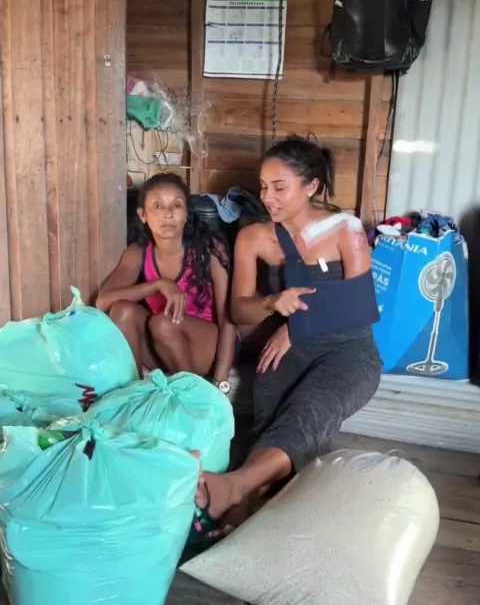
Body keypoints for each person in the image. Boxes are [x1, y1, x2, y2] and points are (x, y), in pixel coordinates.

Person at [194, 136, 382, 534]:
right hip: (285, 350)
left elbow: (361, 305)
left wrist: (297, 328)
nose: (268, 197)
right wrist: (270, 302)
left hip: (349, 350)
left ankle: (234, 488)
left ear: (311, 186)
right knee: (270, 418)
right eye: (264, 187)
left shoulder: (345, 230)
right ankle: (248, 508)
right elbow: (238, 310)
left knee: (307, 413)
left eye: (280, 187)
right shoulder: (254, 238)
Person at [97, 173, 237, 388]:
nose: (168, 214)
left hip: (208, 348)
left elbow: (228, 318)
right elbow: (103, 302)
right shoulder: (139, 252)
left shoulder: (210, 249)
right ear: (143, 215)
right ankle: (135, 391)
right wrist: (158, 284)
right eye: (158, 206)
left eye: (177, 206)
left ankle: (193, 393)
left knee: (163, 323)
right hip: (162, 345)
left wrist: (221, 380)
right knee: (123, 310)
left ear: (187, 214)